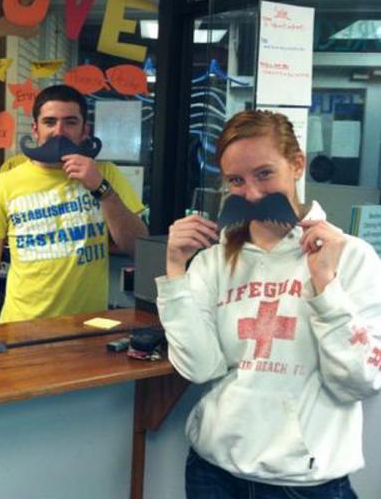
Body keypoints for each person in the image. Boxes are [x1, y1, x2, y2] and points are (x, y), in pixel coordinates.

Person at [157, 110, 381, 498]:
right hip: (214, 473)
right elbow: (200, 367)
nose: (253, 194)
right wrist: (176, 269)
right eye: (236, 181)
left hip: (306, 483)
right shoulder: (213, 261)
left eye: (264, 174)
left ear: (297, 164)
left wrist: (325, 286)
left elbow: (360, 381)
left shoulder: (353, 258)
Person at [0, 84, 148, 324]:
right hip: (20, 324)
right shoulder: (3, 184)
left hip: (88, 326)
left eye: (70, 122)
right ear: (35, 130)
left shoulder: (106, 173)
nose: (59, 131)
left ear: (85, 130)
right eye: (49, 122)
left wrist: (102, 189)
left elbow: (137, 247)